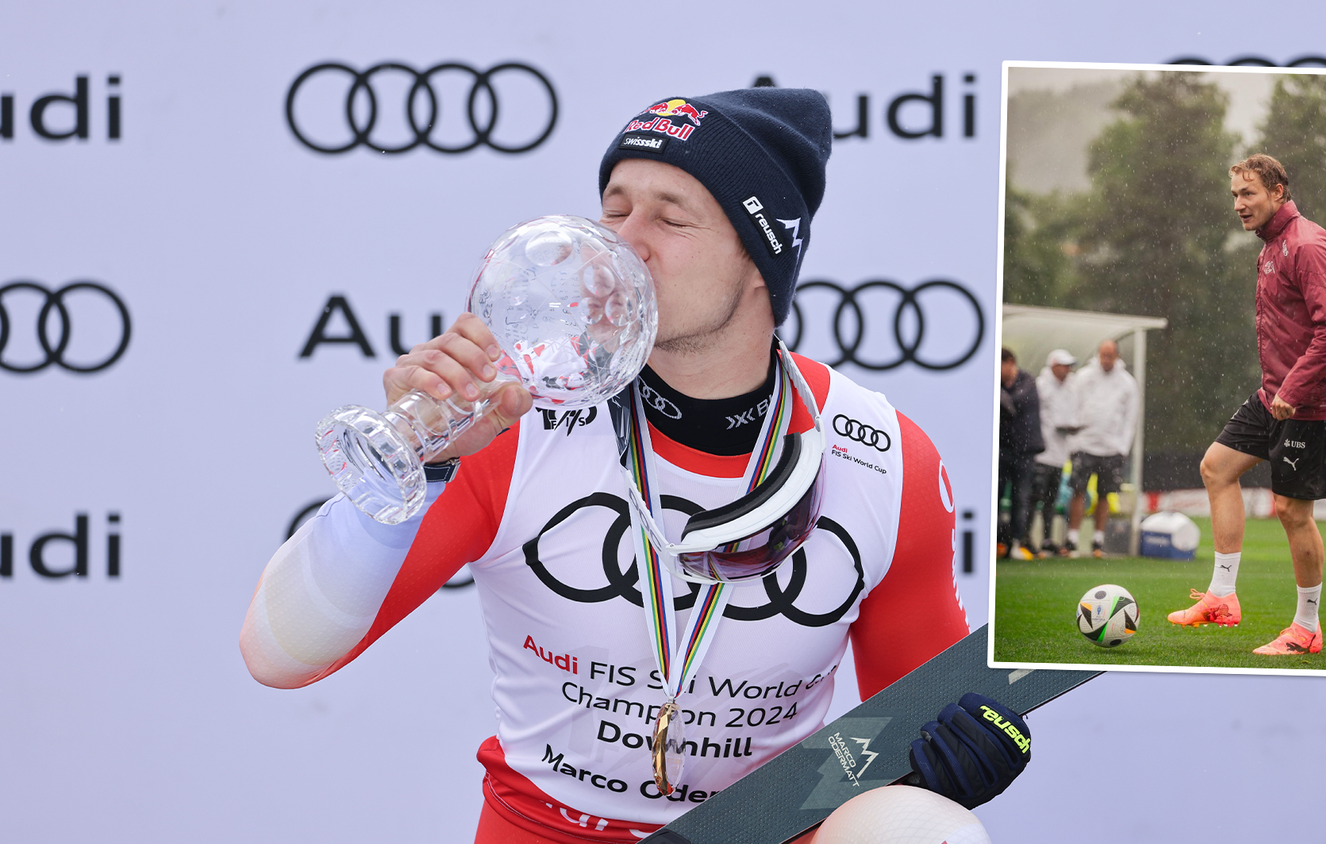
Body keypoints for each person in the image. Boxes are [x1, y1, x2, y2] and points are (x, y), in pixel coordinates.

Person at [238, 89, 1017, 843]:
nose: (624, 243)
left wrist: (958, 751)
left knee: (932, 834)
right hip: (546, 831)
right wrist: (416, 464)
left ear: (760, 261)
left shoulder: (879, 455)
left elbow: (921, 716)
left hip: (764, 829)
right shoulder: (510, 415)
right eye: (614, 209)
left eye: (670, 218)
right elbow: (278, 655)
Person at [1167, 154, 1326, 656]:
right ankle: (1222, 596)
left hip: (1316, 401)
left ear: (1278, 192)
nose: (1238, 203)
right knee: (1216, 467)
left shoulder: (1307, 243)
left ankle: (1306, 628)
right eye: (1234, 194)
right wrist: (1280, 389)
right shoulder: (1272, 245)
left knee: (1291, 511)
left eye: (1248, 192)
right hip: (1275, 394)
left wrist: (1293, 389)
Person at [1064, 339, 1137, 558]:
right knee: (1078, 491)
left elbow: (1130, 418)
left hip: (1112, 449)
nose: (1106, 360)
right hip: (1084, 445)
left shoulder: (1127, 383)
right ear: (1098, 355)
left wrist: (1123, 447)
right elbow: (1073, 408)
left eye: (1110, 356)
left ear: (1117, 356)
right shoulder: (1084, 377)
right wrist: (1074, 442)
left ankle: (1098, 540)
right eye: (1103, 355)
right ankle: (1072, 539)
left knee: (1104, 494)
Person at [1028, 349, 1078, 556]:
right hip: (1041, 453)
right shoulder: (1041, 385)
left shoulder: (1070, 387)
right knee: (1034, 499)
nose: (1068, 370)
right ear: (1053, 366)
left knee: (1051, 500)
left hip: (1059, 455)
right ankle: (1026, 539)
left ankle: (1047, 539)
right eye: (1064, 366)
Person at [997, 348, 1044, 559]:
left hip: (1025, 452)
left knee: (1021, 498)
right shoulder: (998, 384)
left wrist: (1000, 396)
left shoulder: (1028, 382)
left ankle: (1017, 542)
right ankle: (998, 542)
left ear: (1010, 362)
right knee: (995, 497)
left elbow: (1012, 404)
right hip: (1002, 450)